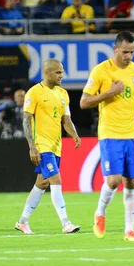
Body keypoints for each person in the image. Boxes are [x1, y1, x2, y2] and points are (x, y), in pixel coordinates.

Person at [80, 31, 134, 242]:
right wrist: (109, 93)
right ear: (115, 49)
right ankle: (100, 213)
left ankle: (129, 230)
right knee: (113, 181)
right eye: (125, 52)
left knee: (131, 182)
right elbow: (84, 102)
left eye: (132, 52)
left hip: (132, 134)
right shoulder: (101, 71)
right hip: (110, 133)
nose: (128, 56)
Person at [15, 59, 81, 235]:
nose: (62, 75)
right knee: (55, 180)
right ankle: (66, 222)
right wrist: (32, 146)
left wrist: (73, 134)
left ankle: (22, 221)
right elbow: (27, 119)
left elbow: (66, 119)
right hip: (41, 144)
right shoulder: (34, 92)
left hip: (56, 145)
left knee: (42, 183)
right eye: (58, 72)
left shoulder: (63, 94)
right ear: (47, 73)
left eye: (62, 72)